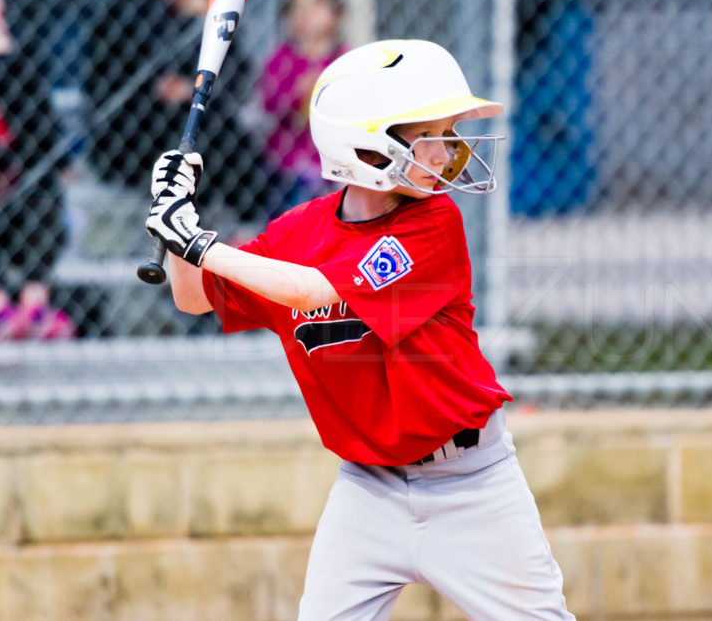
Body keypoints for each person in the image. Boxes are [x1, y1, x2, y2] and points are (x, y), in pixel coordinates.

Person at [144, 39, 574, 618]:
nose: (452, 151)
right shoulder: (297, 232)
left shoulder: (435, 225)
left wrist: (197, 241)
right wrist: (177, 218)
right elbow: (193, 297)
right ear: (370, 151)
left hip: (473, 484)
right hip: (368, 491)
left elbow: (313, 291)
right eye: (436, 134)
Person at [86, 0, 266, 222]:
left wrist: (202, 19)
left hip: (199, 122)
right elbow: (137, 74)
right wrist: (187, 22)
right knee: (202, 138)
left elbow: (237, 76)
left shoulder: (208, 4)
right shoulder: (129, 6)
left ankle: (245, 224)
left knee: (224, 132)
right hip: (132, 133)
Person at [0, 0, 69, 311]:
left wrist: (6, 71)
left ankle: (35, 303)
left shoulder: (16, 72)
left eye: (1, 17)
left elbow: (44, 145)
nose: (1, 30)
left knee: (42, 187)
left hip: (16, 200)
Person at [259, 0, 349, 216]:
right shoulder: (282, 58)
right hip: (289, 163)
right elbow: (270, 103)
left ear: (336, 15)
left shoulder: (344, 59)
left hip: (336, 159)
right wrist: (298, 95)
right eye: (296, 7)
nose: (304, 13)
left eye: (315, 5)